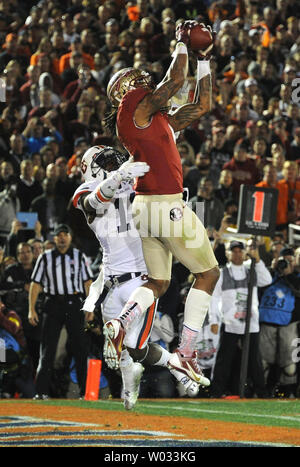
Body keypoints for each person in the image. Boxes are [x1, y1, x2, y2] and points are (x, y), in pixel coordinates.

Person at [103, 20, 220, 386]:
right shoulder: (132, 106)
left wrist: (203, 59)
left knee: (158, 282)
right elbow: (172, 82)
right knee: (208, 274)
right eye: (135, 80)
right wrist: (182, 43)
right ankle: (186, 354)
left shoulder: (152, 117)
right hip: (166, 204)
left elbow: (201, 105)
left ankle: (121, 322)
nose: (142, 81)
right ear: (124, 90)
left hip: (146, 208)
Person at [73, 145, 200, 409]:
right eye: (104, 161)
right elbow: (92, 203)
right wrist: (118, 176)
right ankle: (152, 373)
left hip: (142, 279)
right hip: (112, 282)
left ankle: (173, 369)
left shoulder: (134, 182)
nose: (112, 164)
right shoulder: (86, 191)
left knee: (131, 343)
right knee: (129, 352)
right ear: (91, 167)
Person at [28, 224, 93, 399]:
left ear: (70, 237)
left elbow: (88, 282)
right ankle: (41, 392)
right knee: (47, 350)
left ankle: (84, 392)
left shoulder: (79, 256)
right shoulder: (45, 258)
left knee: (80, 349)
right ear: (54, 238)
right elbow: (35, 284)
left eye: (65, 234)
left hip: (74, 303)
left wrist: (90, 306)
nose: (62, 238)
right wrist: (31, 309)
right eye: (59, 235)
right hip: (53, 303)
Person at [209, 239, 272, 398]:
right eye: (233, 251)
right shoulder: (222, 273)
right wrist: (214, 320)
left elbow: (267, 280)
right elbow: (214, 298)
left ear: (244, 253)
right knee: (224, 360)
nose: (237, 254)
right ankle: (216, 392)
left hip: (251, 323)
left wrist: (257, 260)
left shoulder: (251, 270)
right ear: (227, 253)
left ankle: (261, 392)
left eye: (240, 251)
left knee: (254, 360)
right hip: (229, 323)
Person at [259, 246, 300, 397]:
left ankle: (287, 392)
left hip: (289, 324)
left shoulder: (295, 276)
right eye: (284, 260)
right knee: (263, 362)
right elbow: (260, 284)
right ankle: (261, 391)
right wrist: (273, 268)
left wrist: (289, 274)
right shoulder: (271, 274)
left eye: (290, 260)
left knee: (289, 365)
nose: (287, 263)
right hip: (267, 322)